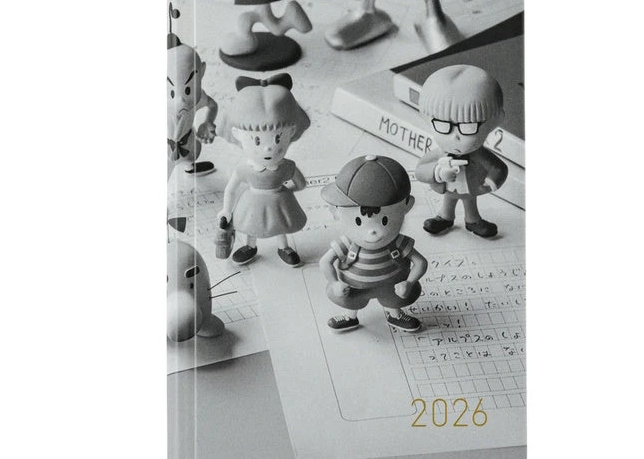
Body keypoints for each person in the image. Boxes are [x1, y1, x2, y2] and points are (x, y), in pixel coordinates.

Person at [319, 155, 428, 333]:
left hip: (391, 286)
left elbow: (421, 262)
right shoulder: (346, 243)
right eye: (358, 221)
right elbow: (325, 262)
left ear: (407, 206)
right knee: (350, 301)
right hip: (353, 288)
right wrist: (335, 283)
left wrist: (409, 283)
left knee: (395, 300)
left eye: (384, 221)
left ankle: (395, 315)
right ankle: (350, 317)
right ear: (335, 211)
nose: (372, 232)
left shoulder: (399, 242)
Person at [216, 74, 310, 265]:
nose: (268, 149)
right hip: (252, 203)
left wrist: (285, 192)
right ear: (238, 134)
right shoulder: (244, 168)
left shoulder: (287, 166)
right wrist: (226, 209)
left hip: (279, 202)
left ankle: (284, 247)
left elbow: (301, 184)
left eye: (277, 138)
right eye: (257, 140)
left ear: (291, 132)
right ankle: (250, 246)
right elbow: (231, 189)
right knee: (252, 226)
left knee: (281, 225)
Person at [414, 65, 508, 238]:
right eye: (443, 125)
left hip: (470, 187)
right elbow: (420, 170)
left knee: (469, 201)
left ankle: (473, 220)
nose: (455, 137)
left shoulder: (479, 155)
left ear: (495, 122)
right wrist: (438, 173)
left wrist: (491, 182)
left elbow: (499, 168)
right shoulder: (439, 154)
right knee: (449, 199)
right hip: (448, 187)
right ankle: (445, 217)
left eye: (468, 127)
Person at [167, 34, 218, 175]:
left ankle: (189, 167)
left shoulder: (199, 98)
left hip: (188, 143)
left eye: (188, 90)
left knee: (191, 156)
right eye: (172, 93)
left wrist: (208, 122)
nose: (181, 101)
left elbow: (212, 105)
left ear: (202, 71)